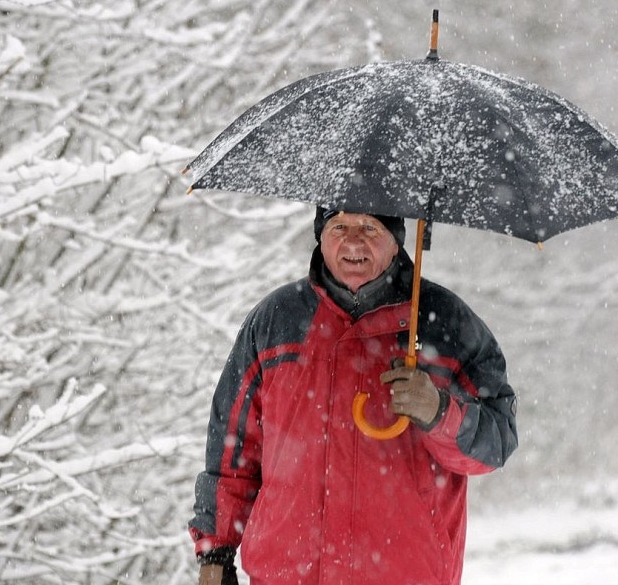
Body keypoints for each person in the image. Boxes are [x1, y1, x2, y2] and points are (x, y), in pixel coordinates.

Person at [189, 208, 518, 585]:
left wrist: (440, 412)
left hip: (407, 574)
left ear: (396, 239)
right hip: (286, 575)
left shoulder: (447, 324)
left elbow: (496, 443)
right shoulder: (275, 321)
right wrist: (215, 552)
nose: (353, 242)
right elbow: (231, 451)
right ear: (321, 236)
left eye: (370, 228)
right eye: (339, 227)